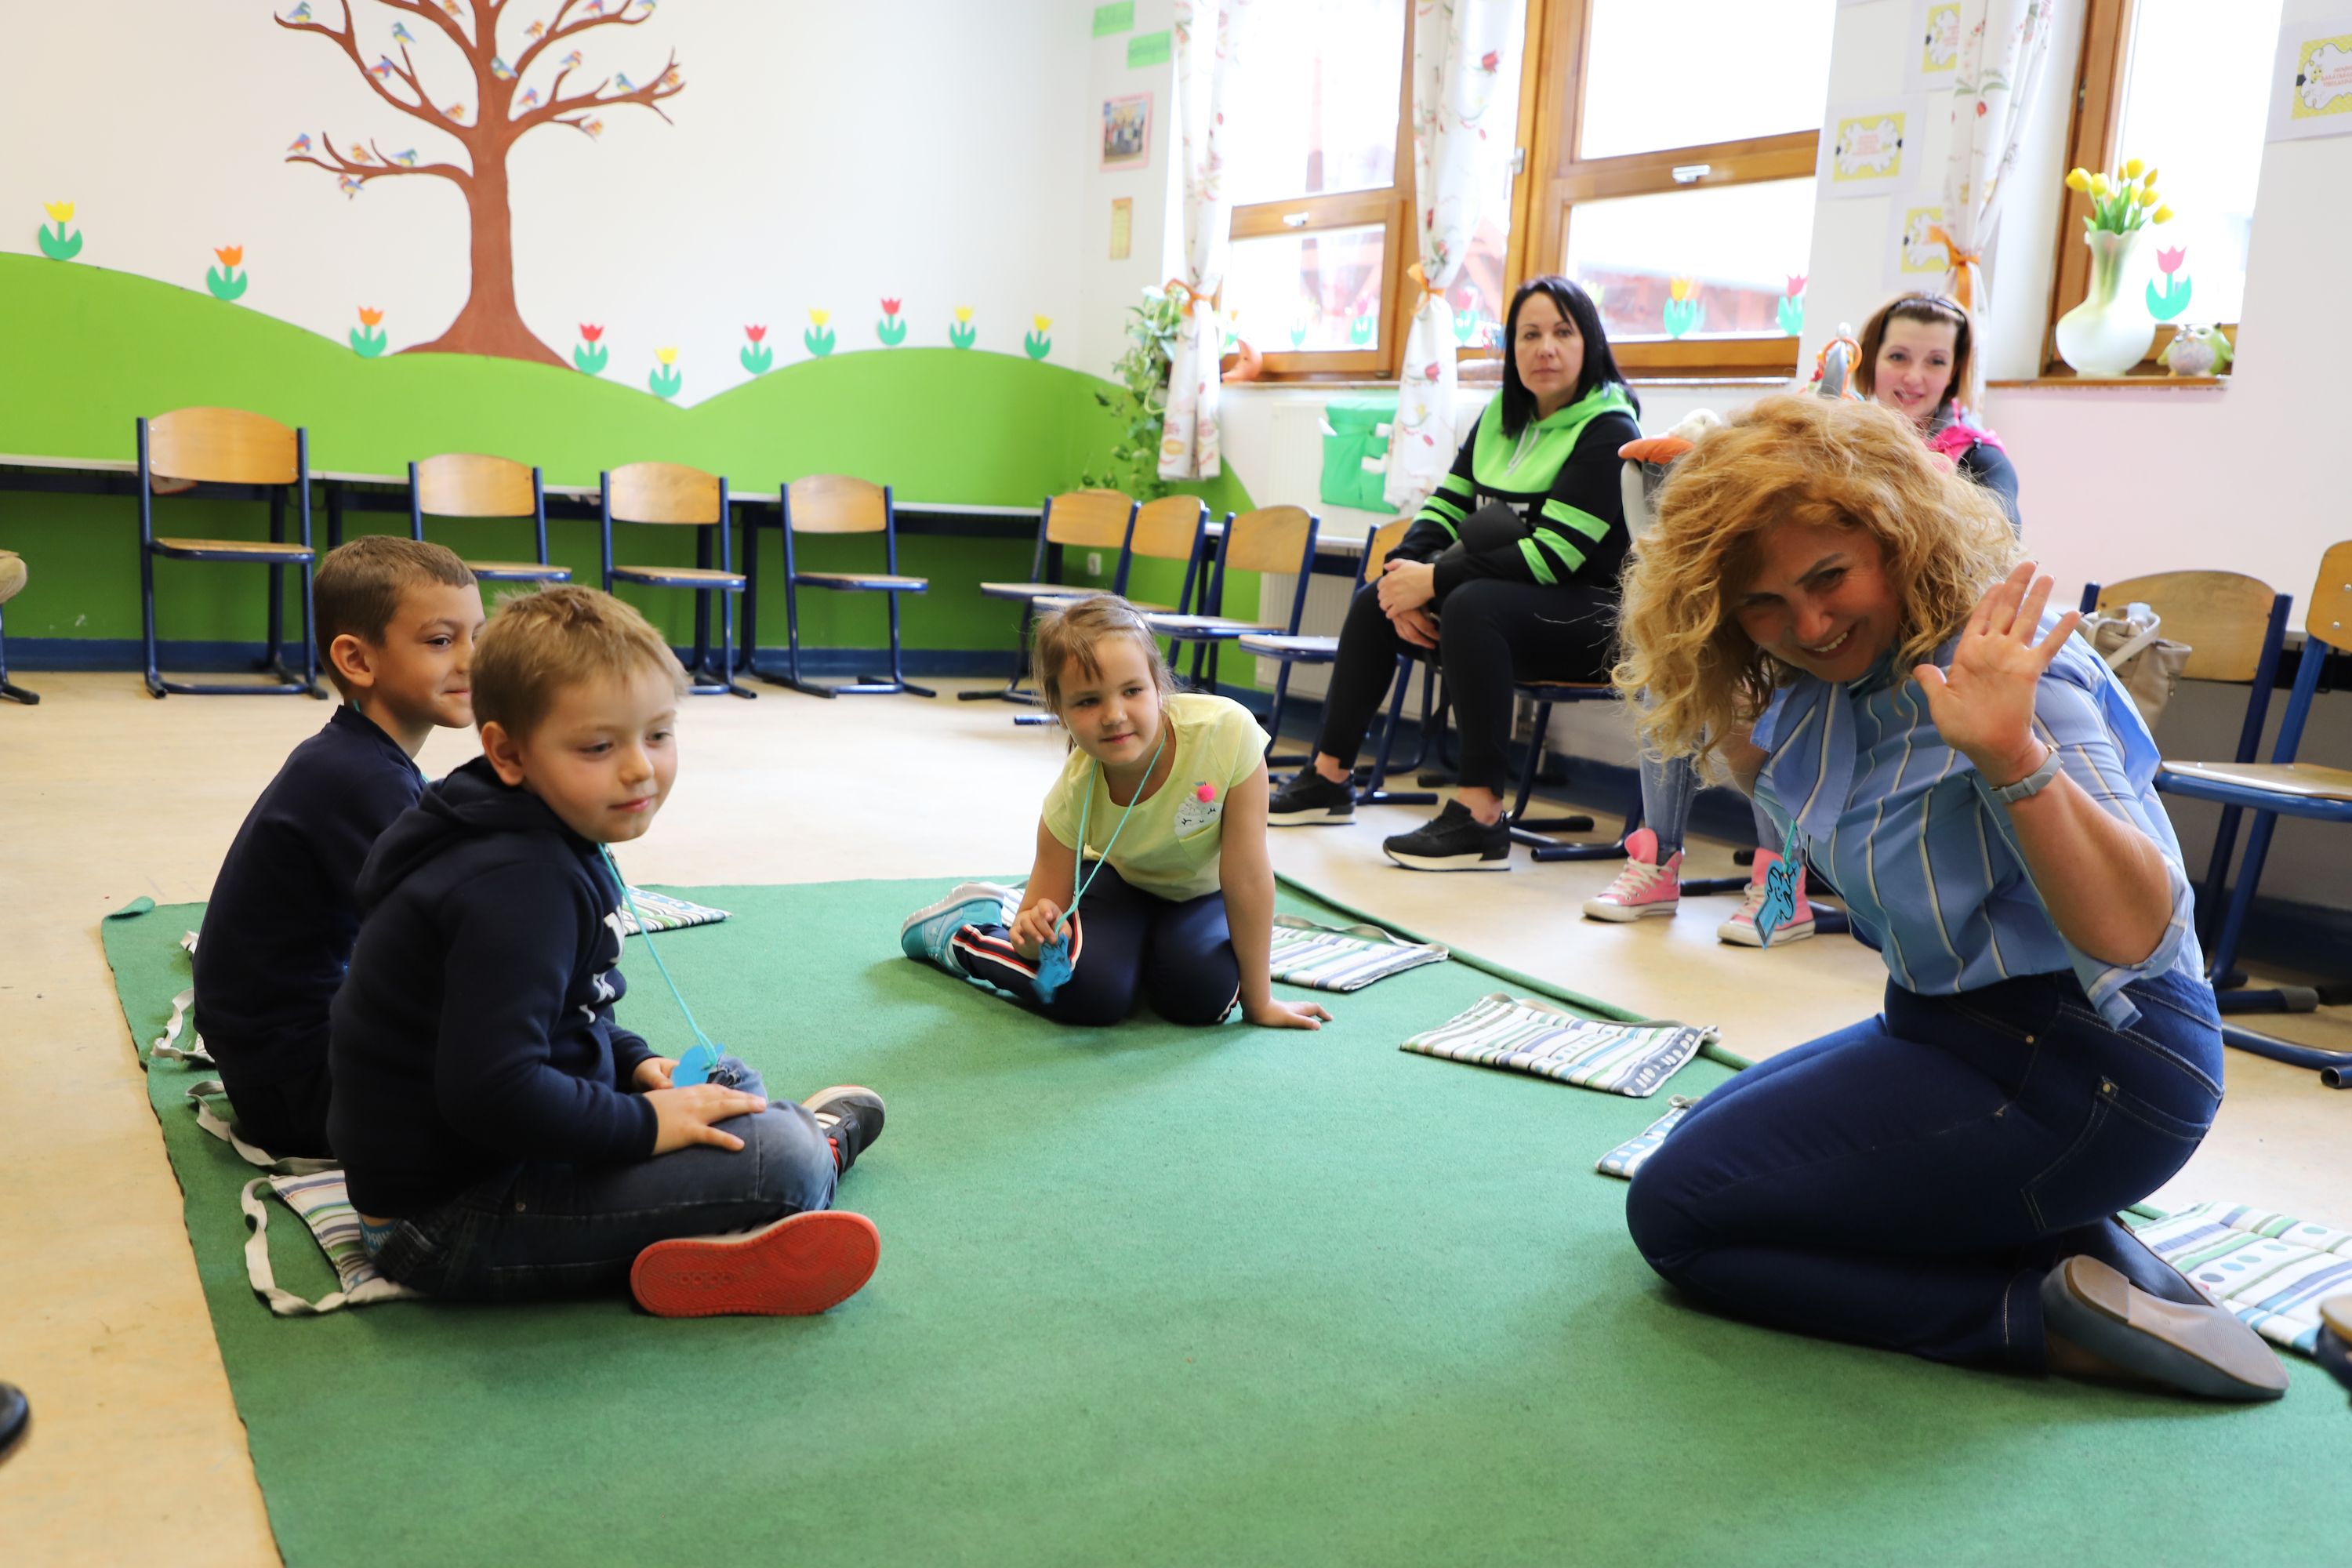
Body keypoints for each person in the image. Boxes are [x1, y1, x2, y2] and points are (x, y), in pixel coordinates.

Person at [1613, 394, 2282, 1401]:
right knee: (1697, 1151)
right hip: (1947, 1028)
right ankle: (2093, 1258)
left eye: (1829, 577)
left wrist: (2015, 756)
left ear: (1897, 536)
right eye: (1761, 603)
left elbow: (2141, 934)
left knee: (1679, 1213)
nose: (1809, 623)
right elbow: (1803, 795)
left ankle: (2037, 1321)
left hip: (2099, 1064)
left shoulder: (2007, 664)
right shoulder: (1830, 684)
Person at [329, 585, 884, 1316]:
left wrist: (633, 1063)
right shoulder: (519, 884)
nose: (639, 769)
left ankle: (740, 1205)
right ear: (508, 751)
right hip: (446, 1222)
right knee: (786, 1158)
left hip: (486, 1158)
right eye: (599, 747)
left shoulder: (521, 822)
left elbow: (566, 1012)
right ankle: (796, 1173)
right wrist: (648, 1124)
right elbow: (492, 1094)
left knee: (724, 1080)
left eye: (658, 735)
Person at [1584, 293, 2021, 938]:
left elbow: (1988, 566)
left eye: (1936, 361)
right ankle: (1656, 860)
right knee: (1677, 662)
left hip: (1904, 653)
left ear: (1956, 372)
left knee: (1783, 693)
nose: (1914, 376)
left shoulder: (1980, 458)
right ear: (1870, 360)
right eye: (1899, 356)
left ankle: (1781, 886)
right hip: (1815, 635)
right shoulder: (1820, 436)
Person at [1264, 276, 1642, 871]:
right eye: (1529, 335)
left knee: (1471, 604)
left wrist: (1435, 582)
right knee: (1374, 600)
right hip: (1511, 608)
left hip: (1594, 621)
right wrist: (1403, 575)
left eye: (1562, 333)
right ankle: (1328, 779)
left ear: (1589, 342)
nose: (1545, 348)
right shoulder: (1500, 419)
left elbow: (1554, 556)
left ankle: (1480, 818)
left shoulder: (1611, 430)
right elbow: (1445, 507)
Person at [899, 594, 1330, 1031]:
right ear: (1060, 712)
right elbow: (1033, 942)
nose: (1114, 715)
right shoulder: (1072, 794)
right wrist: (1032, 934)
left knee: (1202, 997)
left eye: (1132, 691)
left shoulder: (1227, 734)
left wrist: (1261, 1003)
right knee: (1090, 994)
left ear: (1159, 687)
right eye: (1088, 701)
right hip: (1115, 887)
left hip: (1200, 896)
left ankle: (1129, 959)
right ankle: (965, 935)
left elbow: (1248, 877)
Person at [193, 535, 483, 1158]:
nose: (472, 660)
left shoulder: (356, 756)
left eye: (476, 637)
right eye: (441, 641)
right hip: (299, 1086)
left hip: (281, 1060)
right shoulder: (364, 780)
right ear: (356, 659)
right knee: (515, 1080)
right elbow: (445, 946)